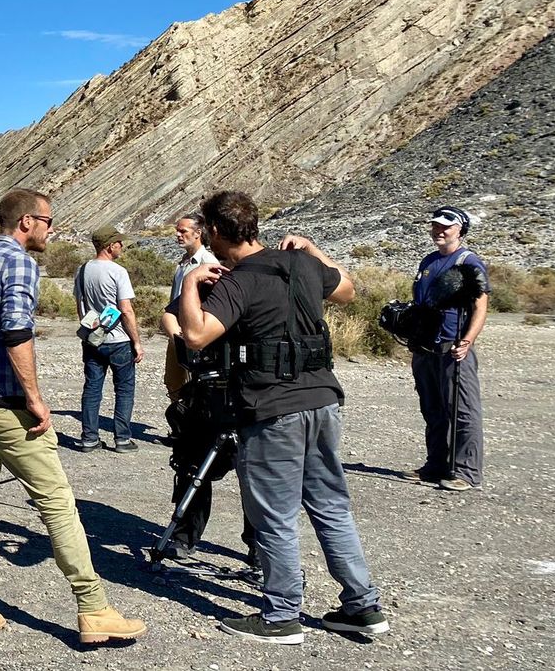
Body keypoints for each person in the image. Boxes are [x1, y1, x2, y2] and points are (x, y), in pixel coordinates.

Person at [0, 188, 145, 645]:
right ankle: (94, 608)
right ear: (26, 222)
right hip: (7, 403)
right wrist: (35, 396)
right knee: (57, 504)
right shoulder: (20, 263)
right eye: (47, 221)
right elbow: (15, 331)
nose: (51, 229)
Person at [179, 190, 387, 644]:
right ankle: (362, 604)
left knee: (274, 514)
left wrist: (192, 284)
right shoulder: (304, 266)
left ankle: (281, 615)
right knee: (332, 507)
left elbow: (195, 335)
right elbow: (348, 291)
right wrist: (313, 248)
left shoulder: (238, 281)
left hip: (273, 410)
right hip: (323, 401)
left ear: (214, 232)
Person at [157, 211, 250, 563]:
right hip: (206, 388)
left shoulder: (250, 280)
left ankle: (260, 547)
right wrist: (184, 336)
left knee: (252, 472)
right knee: (192, 464)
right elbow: (171, 312)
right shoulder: (204, 276)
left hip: (244, 392)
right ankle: (183, 536)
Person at [401, 206, 490, 491]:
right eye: (435, 226)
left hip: (453, 346)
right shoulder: (428, 261)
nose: (439, 230)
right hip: (426, 347)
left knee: (462, 410)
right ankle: (436, 465)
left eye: (446, 227)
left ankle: (467, 471)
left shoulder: (468, 261)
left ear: (460, 230)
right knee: (433, 408)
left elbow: (480, 305)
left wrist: (467, 341)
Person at [73, 227, 143, 452]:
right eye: (119, 243)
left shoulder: (82, 270)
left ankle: (89, 438)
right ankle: (122, 438)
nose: (122, 246)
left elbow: (80, 307)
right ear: (110, 245)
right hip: (119, 340)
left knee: (92, 388)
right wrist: (137, 342)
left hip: (93, 340)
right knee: (124, 389)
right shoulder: (118, 272)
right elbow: (126, 310)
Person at [161, 212, 220, 397]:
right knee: (174, 382)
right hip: (176, 332)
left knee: (196, 386)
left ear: (198, 233)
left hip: (195, 334)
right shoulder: (183, 264)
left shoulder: (208, 262)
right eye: (177, 231)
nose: (178, 235)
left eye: (183, 231)